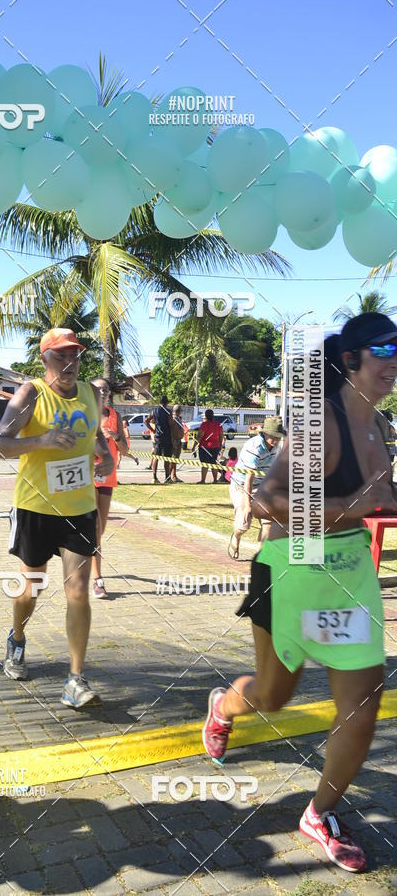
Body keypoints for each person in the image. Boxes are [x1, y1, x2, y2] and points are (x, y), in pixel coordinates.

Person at [203, 312, 397, 873]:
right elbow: (264, 501)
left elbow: (380, 499)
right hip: (291, 570)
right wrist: (350, 508)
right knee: (271, 696)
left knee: (362, 708)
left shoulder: (376, 426)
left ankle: (319, 812)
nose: (393, 361)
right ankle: (224, 705)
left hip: (349, 575)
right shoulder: (321, 423)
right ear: (354, 359)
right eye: (383, 349)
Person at [0, 328, 114, 708]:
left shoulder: (92, 394)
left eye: (75, 355)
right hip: (36, 508)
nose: (70, 363)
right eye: (61, 356)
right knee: (32, 590)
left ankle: (75, 679)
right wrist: (39, 441)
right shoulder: (31, 395)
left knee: (77, 592)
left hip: (78, 509)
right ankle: (17, 638)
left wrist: (104, 455)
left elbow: (96, 437)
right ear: (44, 360)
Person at [91, 379, 129, 598]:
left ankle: (86, 553)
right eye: (97, 389)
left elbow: (123, 450)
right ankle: (98, 581)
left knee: (101, 529)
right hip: (87, 476)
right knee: (95, 530)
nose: (102, 392)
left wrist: (114, 436)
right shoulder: (84, 414)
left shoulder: (115, 416)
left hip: (108, 476)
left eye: (105, 389)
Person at [228, 416, 285, 560]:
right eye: (273, 436)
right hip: (242, 485)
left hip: (261, 485)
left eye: (278, 437)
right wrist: (248, 506)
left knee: (268, 522)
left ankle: (260, 556)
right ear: (265, 433)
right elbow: (249, 478)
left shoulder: (275, 446)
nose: (276, 440)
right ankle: (236, 536)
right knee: (243, 524)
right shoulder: (254, 447)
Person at [148, 395, 174, 484]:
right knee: (167, 458)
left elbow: (146, 421)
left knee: (156, 457)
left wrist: (153, 430)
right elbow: (171, 424)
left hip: (157, 437)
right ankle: (167, 477)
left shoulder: (154, 411)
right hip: (166, 437)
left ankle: (154, 477)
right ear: (166, 403)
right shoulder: (168, 412)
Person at [195, 409, 224, 483]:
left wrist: (194, 446)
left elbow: (199, 436)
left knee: (205, 463)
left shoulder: (204, 424)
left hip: (205, 447)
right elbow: (221, 436)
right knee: (213, 463)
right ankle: (215, 480)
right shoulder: (218, 425)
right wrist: (220, 446)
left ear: (206, 416)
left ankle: (203, 480)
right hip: (215, 446)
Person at [169, 404, 185, 483]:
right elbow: (172, 431)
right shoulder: (173, 419)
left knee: (175, 460)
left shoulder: (178, 418)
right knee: (173, 459)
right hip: (174, 442)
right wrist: (174, 441)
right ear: (178, 411)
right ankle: (171, 476)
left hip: (178, 441)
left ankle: (174, 475)